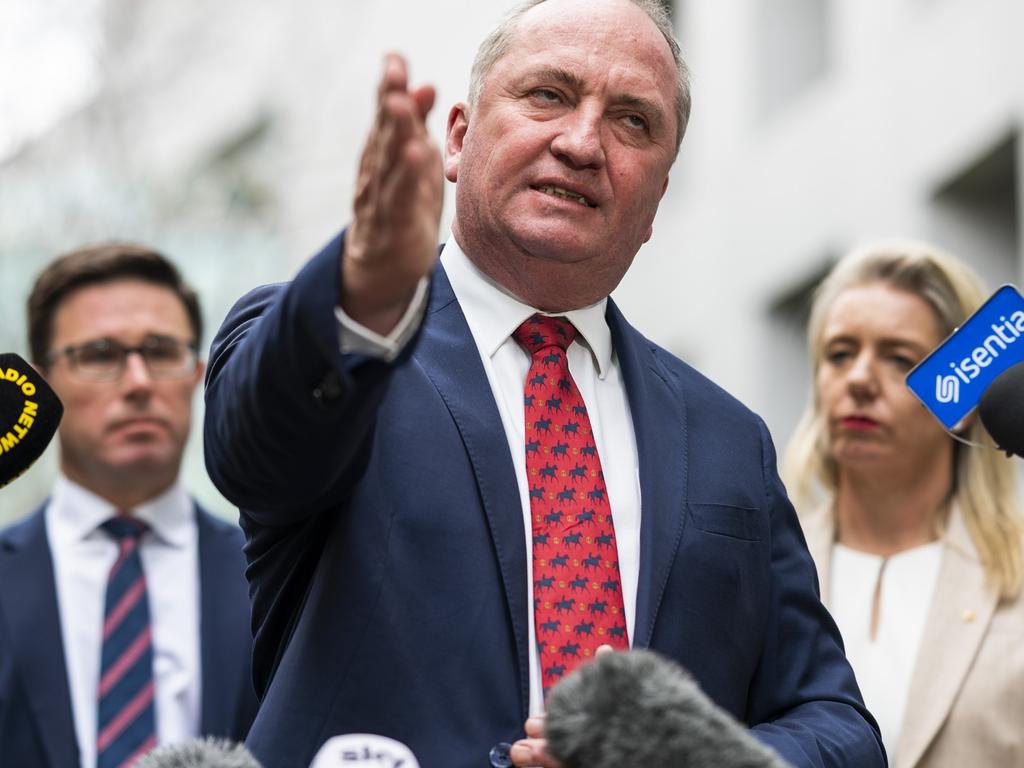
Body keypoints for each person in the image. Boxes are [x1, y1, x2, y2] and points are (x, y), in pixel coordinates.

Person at [203, 1, 885, 766]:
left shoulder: (730, 440)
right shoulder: (337, 347)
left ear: (658, 198)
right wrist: (363, 288)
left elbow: (837, 725)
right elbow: (255, 454)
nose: (583, 142)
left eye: (632, 121)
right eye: (549, 95)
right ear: (458, 137)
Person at [0, 244, 258, 767]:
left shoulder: (277, 580)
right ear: (37, 383)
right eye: (99, 354)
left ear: (198, 374)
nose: (140, 383)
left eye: (162, 352)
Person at [783, 241, 1024, 767]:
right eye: (840, 353)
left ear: (963, 389)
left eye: (899, 359)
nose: (860, 380)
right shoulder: (762, 566)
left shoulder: (1017, 573)